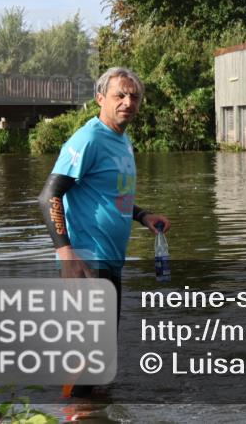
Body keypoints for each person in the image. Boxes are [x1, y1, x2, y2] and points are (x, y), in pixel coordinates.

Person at [37, 66, 170, 397]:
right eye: (119, 95)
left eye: (134, 96)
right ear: (100, 98)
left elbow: (111, 195)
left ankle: (93, 413)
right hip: (86, 261)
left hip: (110, 261)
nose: (128, 102)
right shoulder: (89, 139)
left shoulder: (121, 141)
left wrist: (143, 216)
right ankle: (72, 413)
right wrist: (66, 254)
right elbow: (48, 195)